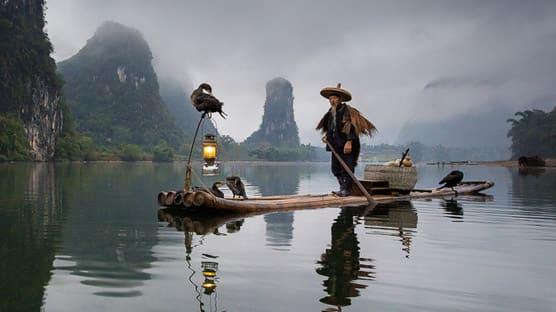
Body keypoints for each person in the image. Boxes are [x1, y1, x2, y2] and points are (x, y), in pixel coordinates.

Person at [316, 83, 376, 196]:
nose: (332, 100)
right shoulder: (330, 113)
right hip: (335, 146)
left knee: (347, 168)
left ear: (340, 99)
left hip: (346, 146)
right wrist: (326, 137)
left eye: (334, 98)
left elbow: (351, 127)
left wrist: (349, 142)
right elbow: (329, 128)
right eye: (330, 98)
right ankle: (343, 188)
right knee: (335, 169)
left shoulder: (347, 111)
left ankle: (346, 190)